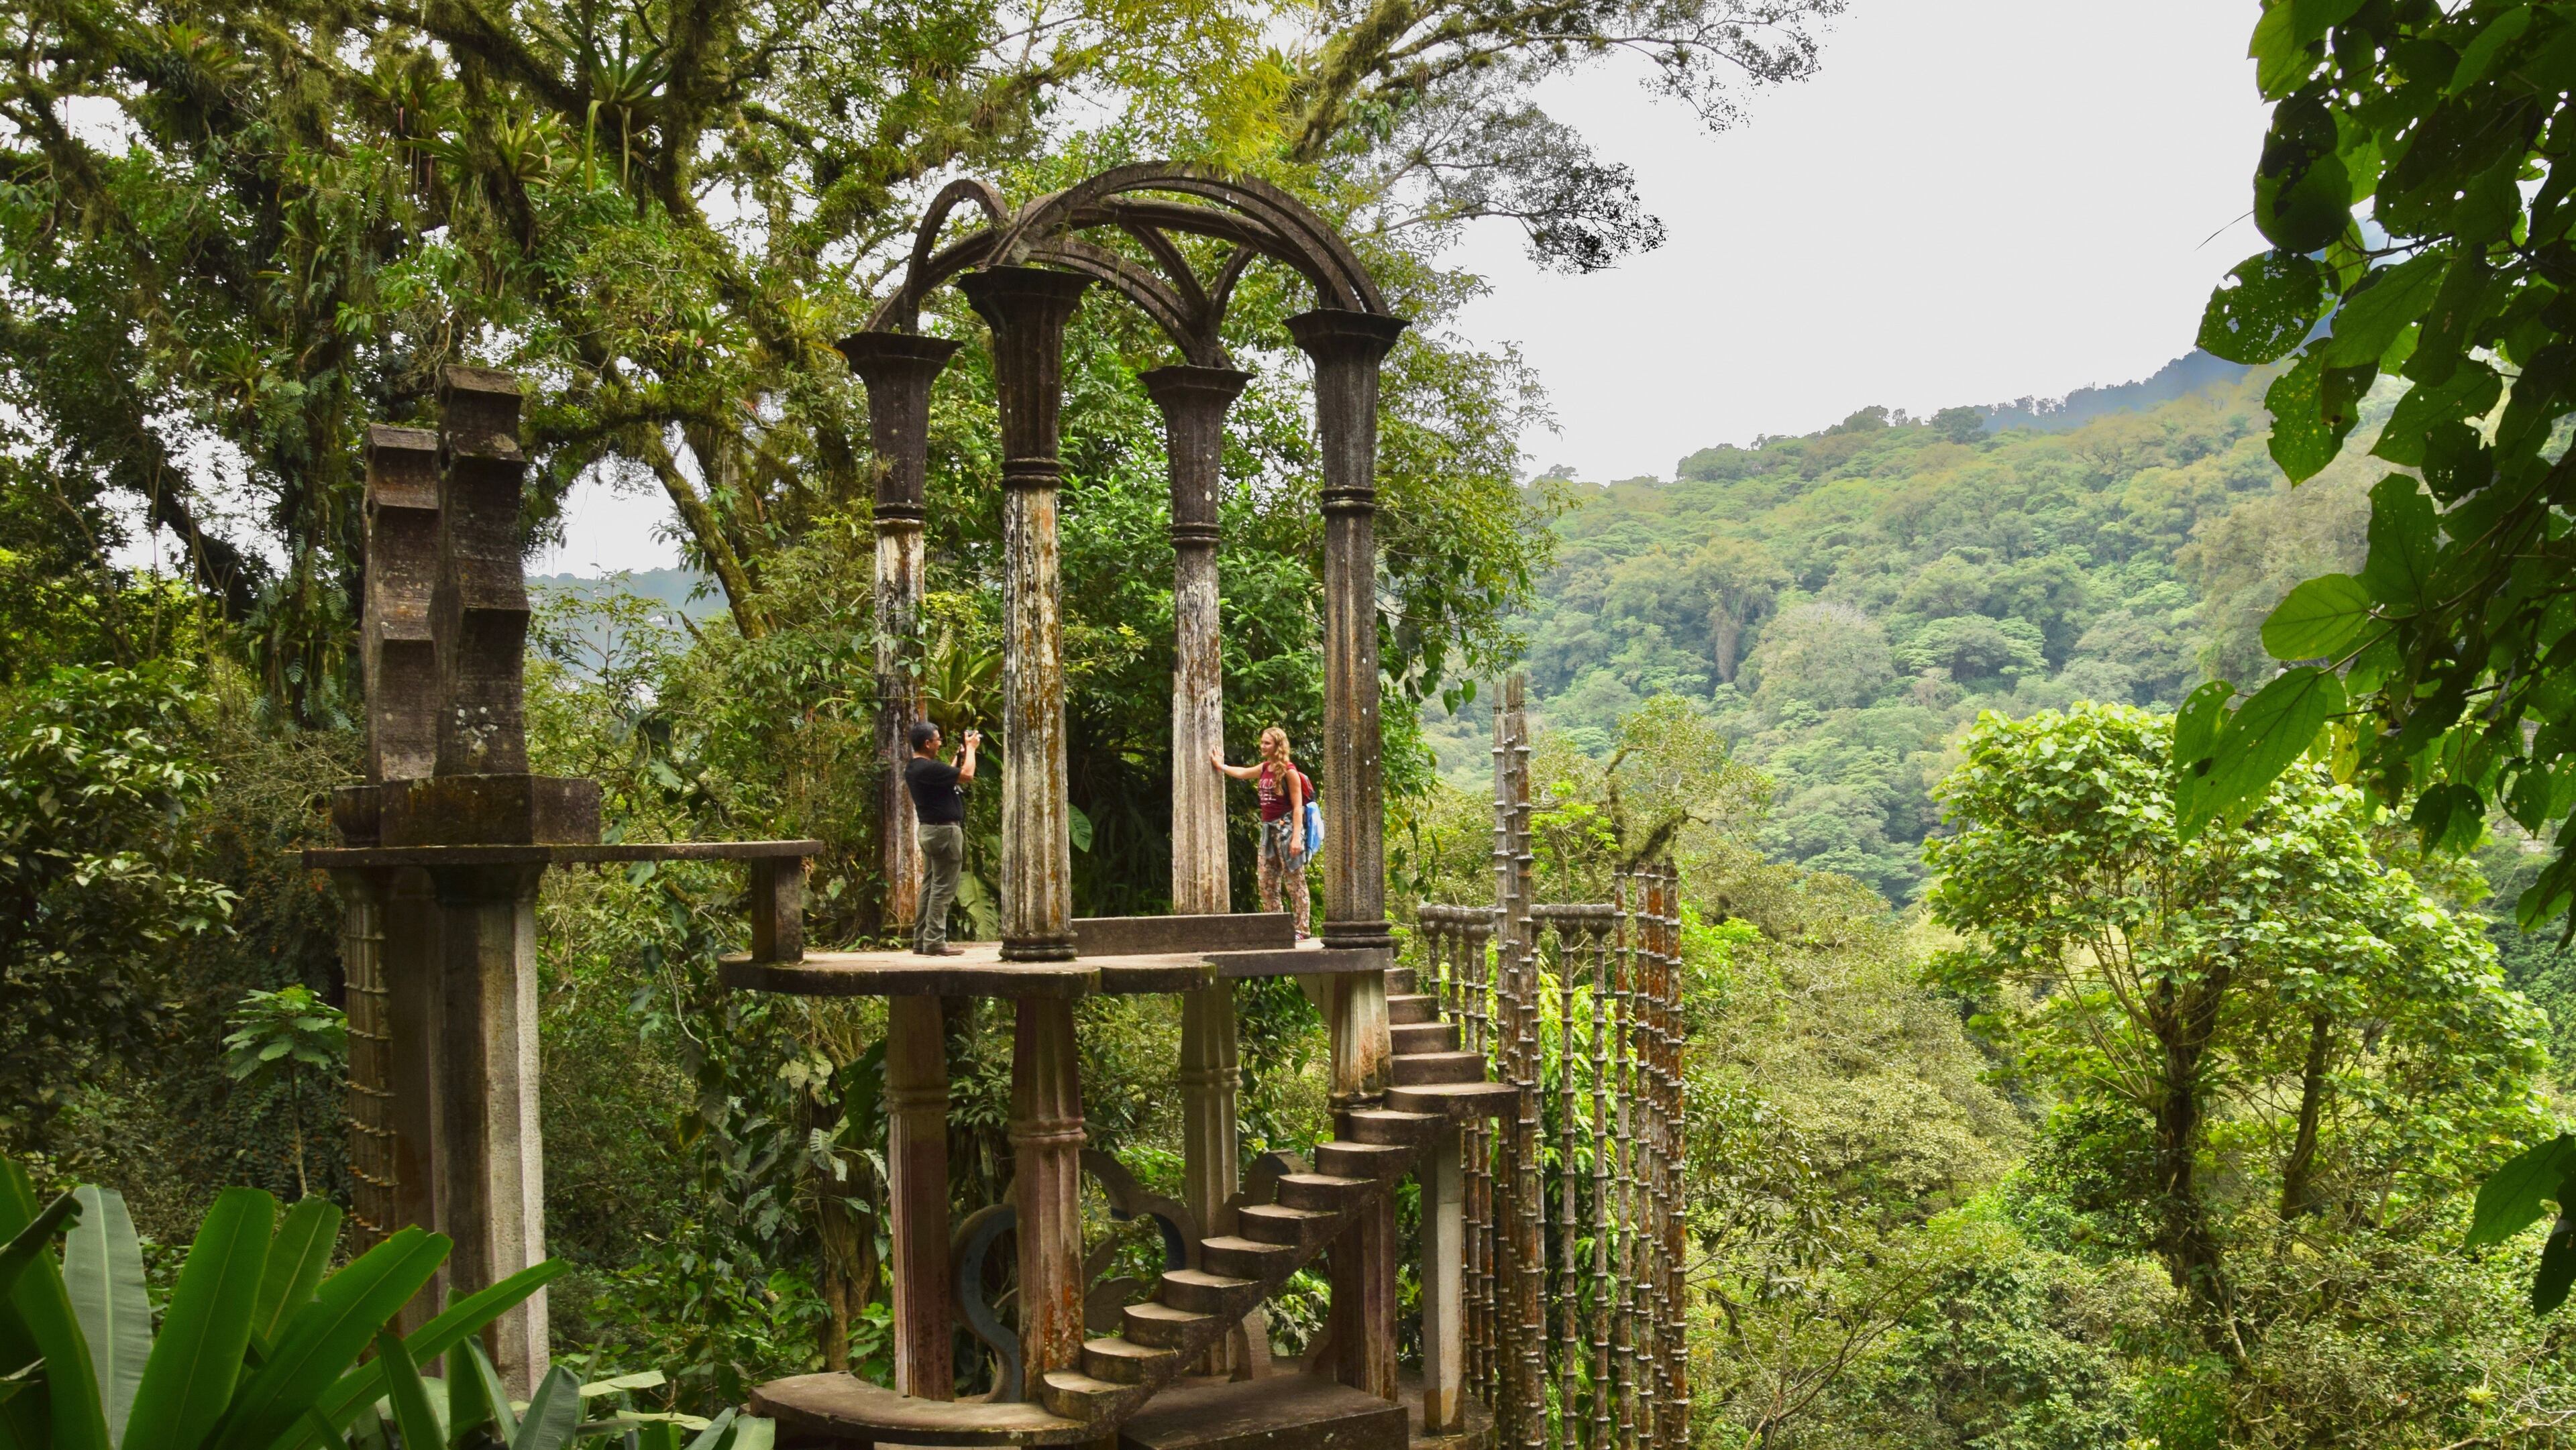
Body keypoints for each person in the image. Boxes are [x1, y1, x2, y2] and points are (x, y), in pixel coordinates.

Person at [1212, 726, 1312, 939]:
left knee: (1295, 881)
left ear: (1278, 746)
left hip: (1286, 829)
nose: (1262, 746)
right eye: (1262, 742)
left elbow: (1298, 807)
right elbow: (1243, 773)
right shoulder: (1265, 767)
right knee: (1267, 882)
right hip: (1268, 829)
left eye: (1267, 743)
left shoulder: (1289, 772)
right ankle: (1276, 927)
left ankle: (1302, 929)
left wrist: (1296, 838)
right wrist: (1221, 766)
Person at [906, 719, 979, 955]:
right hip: (945, 833)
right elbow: (967, 775)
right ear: (927, 743)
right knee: (943, 888)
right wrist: (972, 749)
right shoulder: (928, 769)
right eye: (938, 740)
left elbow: (947, 777)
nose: (940, 743)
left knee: (930, 886)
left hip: (930, 831)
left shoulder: (916, 768)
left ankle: (921, 940)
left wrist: (959, 756)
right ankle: (935, 941)